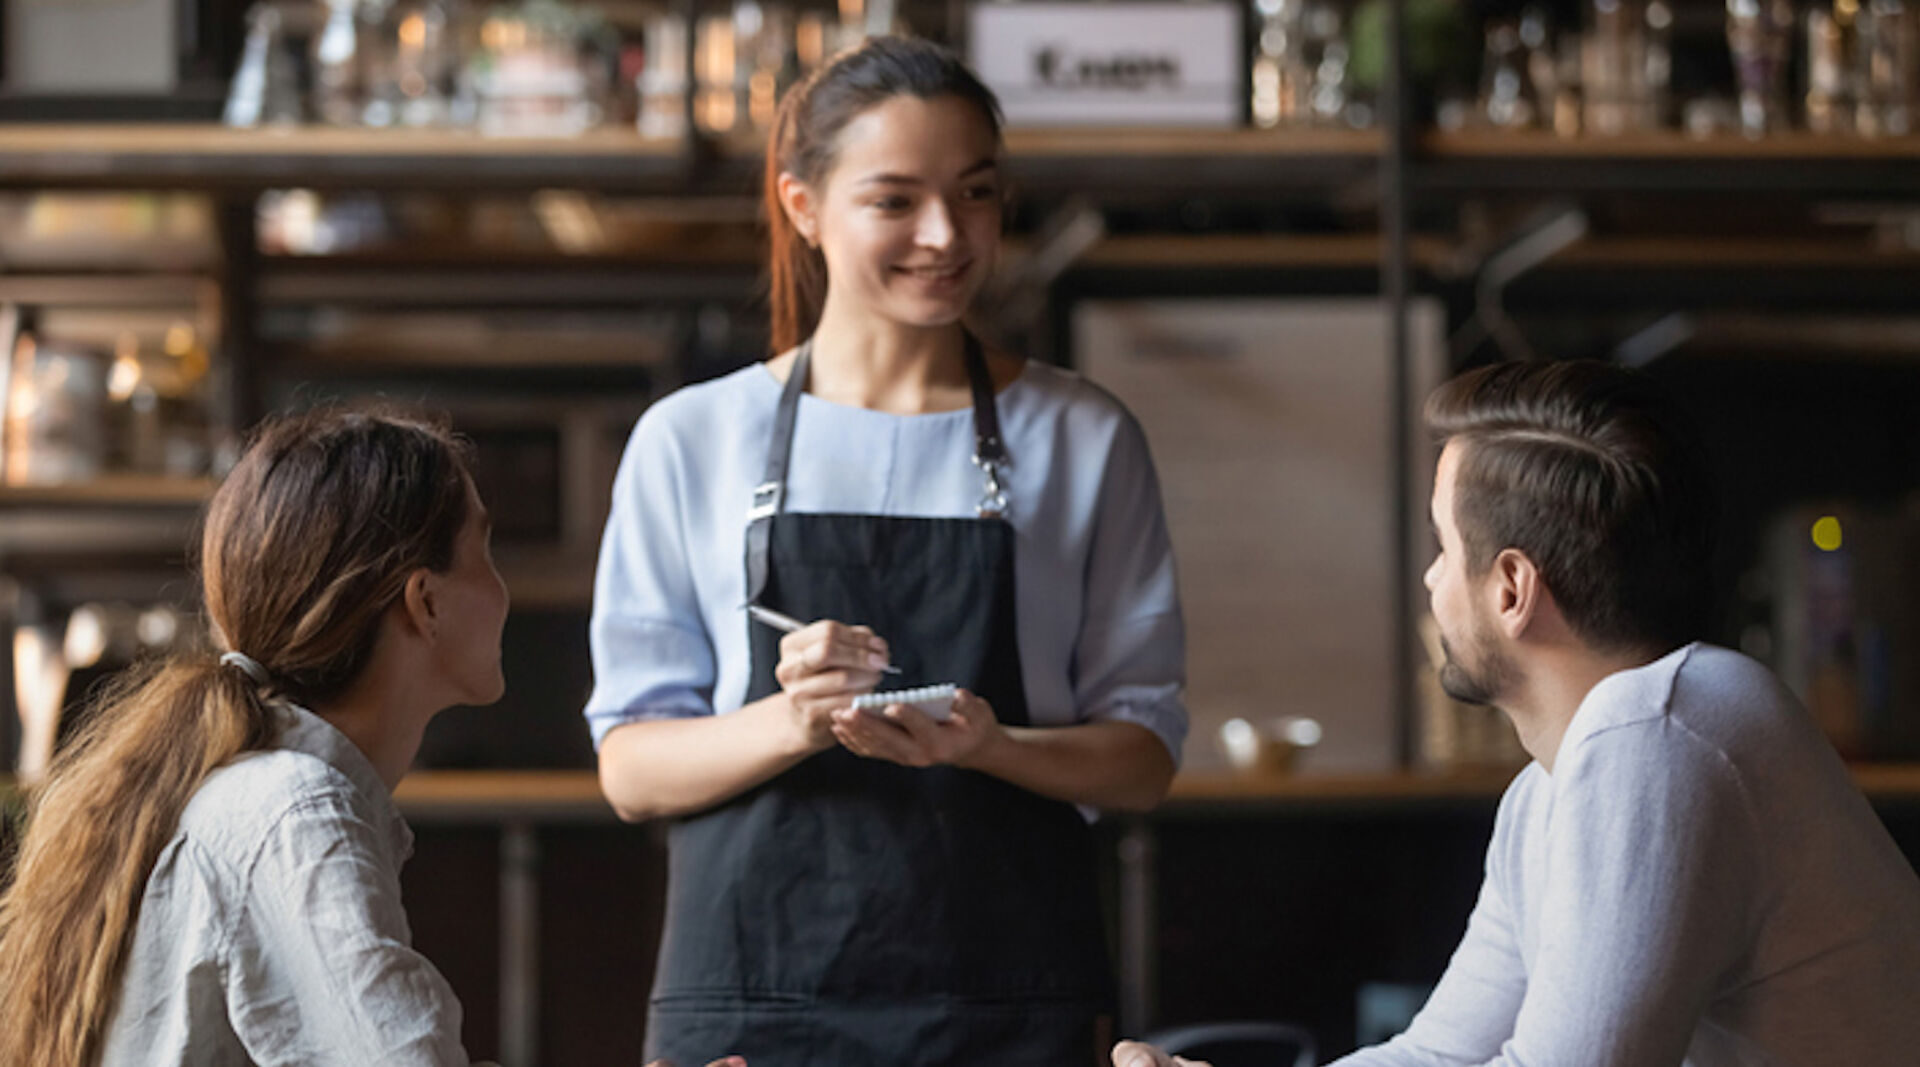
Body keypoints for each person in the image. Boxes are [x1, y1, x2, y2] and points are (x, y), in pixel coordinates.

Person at [587, 34, 1187, 1067]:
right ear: (804, 206)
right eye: (895, 200)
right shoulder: (693, 438)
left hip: (1012, 1002)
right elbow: (632, 766)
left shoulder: (1084, 436)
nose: (946, 234)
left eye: (977, 193)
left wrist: (987, 743)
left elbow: (1142, 755)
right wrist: (796, 717)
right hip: (755, 1003)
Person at [1114, 360, 1920, 1067]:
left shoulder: (1658, 733)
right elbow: (1437, 1052)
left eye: (1442, 546)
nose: (1431, 581)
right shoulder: (1553, 788)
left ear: (1510, 588)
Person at [0, 409, 742, 1067]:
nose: (502, 587)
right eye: (484, 551)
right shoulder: (297, 812)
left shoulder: (261, 793)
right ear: (425, 600)